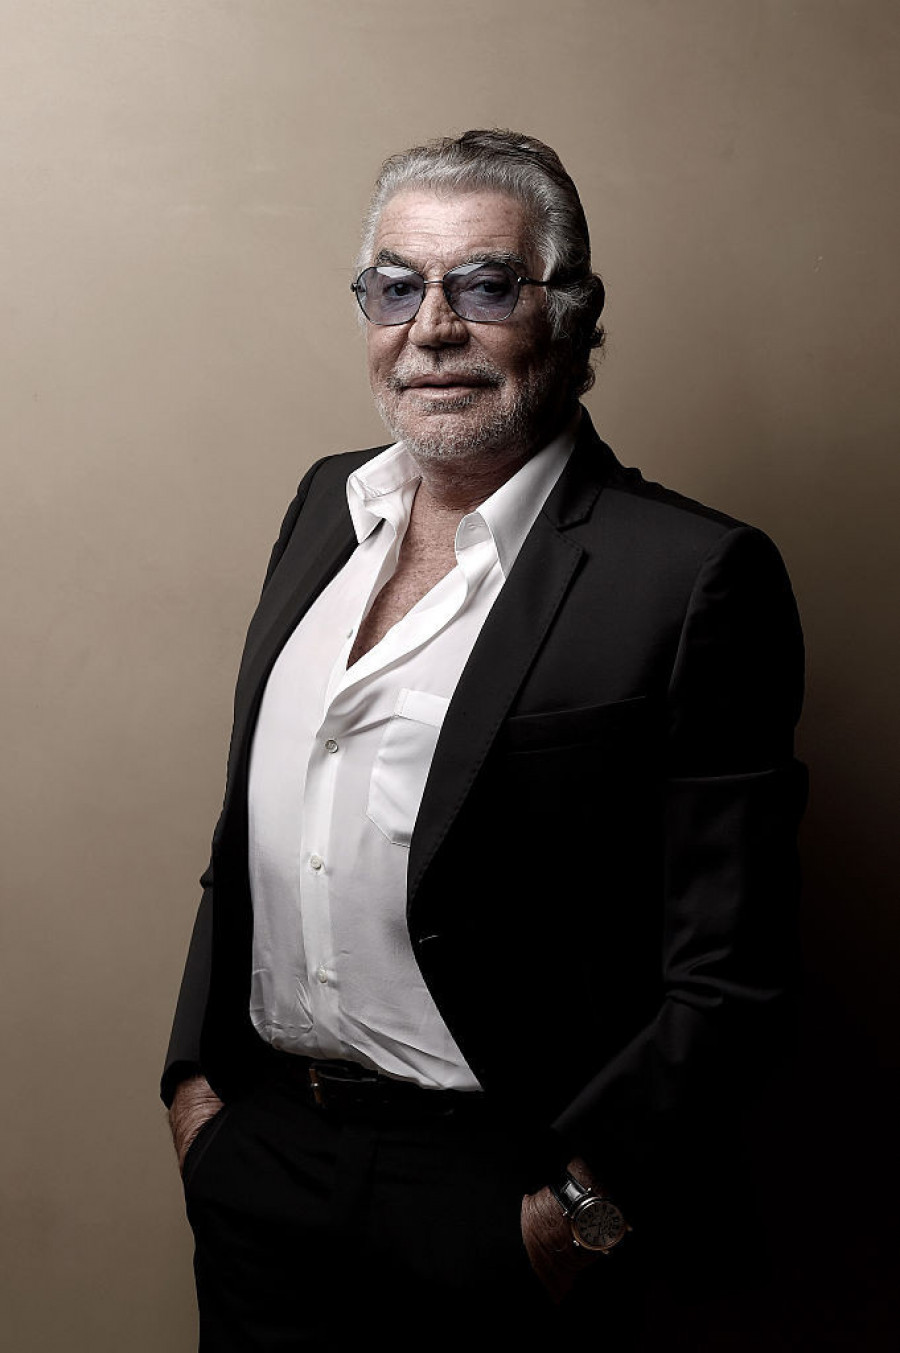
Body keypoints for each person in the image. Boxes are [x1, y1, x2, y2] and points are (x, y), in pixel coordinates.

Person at [163, 129, 806, 1351]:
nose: (433, 328)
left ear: (569, 314)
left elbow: (735, 973)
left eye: (487, 286)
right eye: (395, 286)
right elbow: (249, 827)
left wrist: (578, 1219)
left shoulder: (690, 575)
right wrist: (196, 1094)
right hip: (266, 1165)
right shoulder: (325, 505)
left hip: (497, 1195)